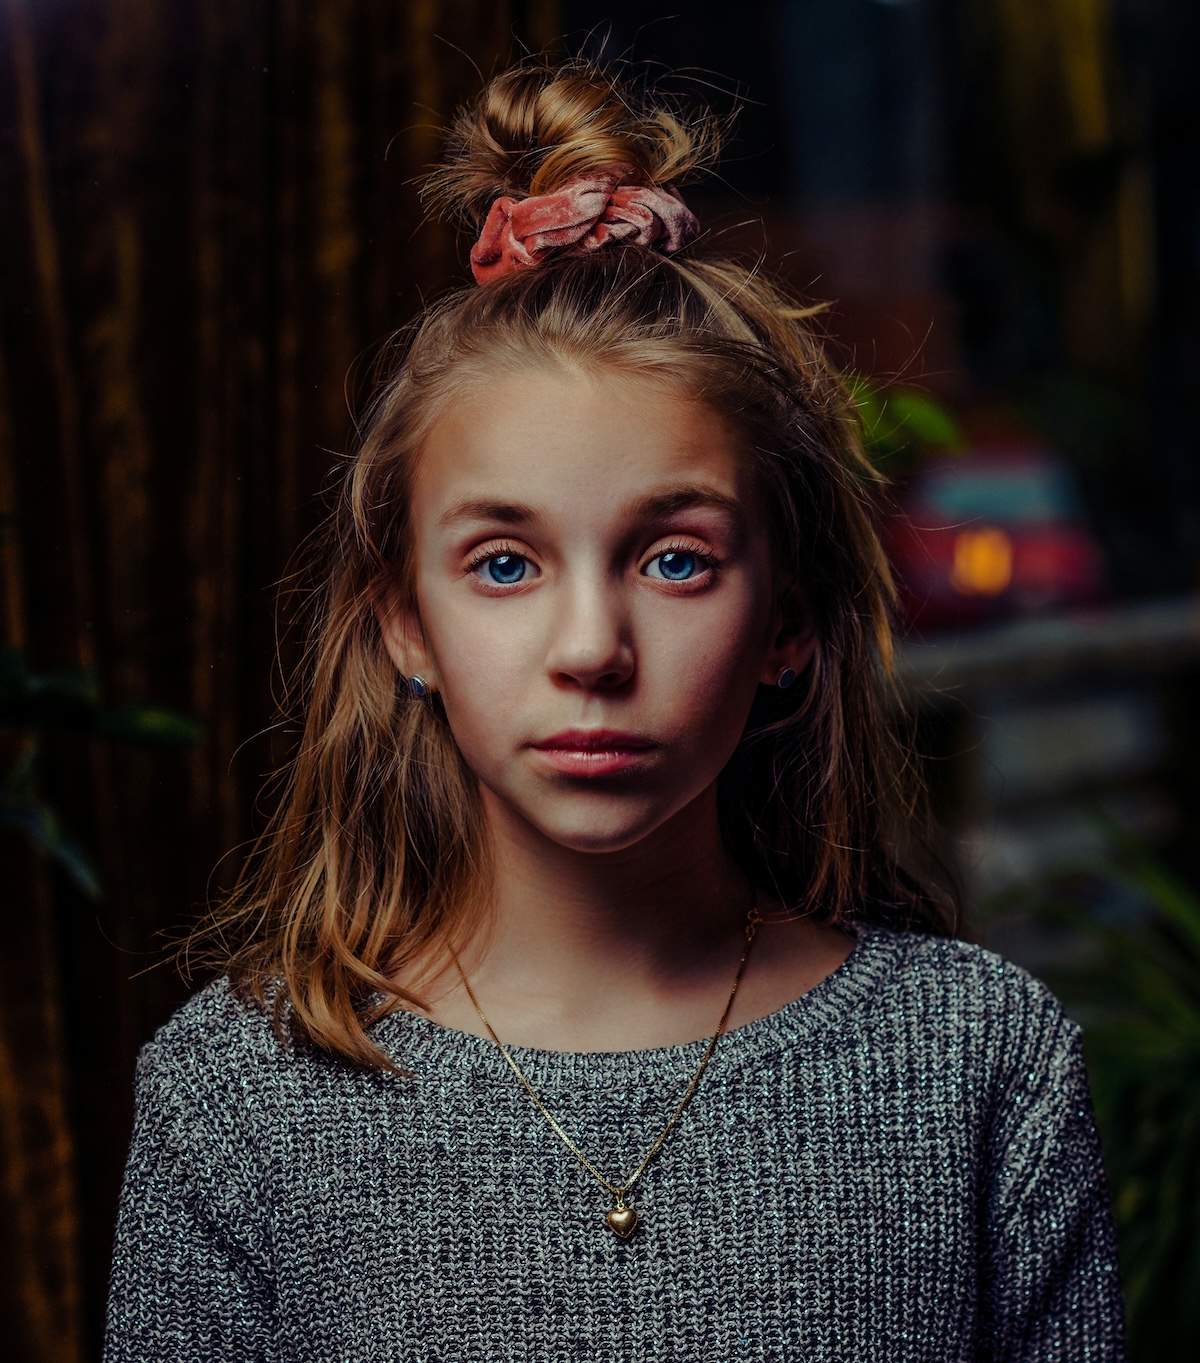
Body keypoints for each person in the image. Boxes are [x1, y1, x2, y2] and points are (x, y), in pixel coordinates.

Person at [103, 59, 1126, 1362]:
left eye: (676, 559)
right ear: (404, 623)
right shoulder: (233, 1099)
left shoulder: (981, 1057)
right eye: (505, 564)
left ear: (791, 624)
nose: (591, 649)